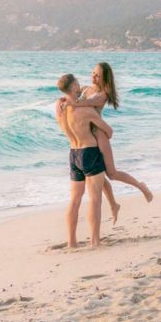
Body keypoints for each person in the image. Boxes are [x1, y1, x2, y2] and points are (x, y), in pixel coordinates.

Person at [62, 63, 153, 224]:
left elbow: (81, 103)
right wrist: (64, 98)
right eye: (93, 73)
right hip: (88, 138)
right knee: (98, 176)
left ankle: (141, 186)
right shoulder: (85, 89)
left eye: (97, 75)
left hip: (99, 135)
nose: (93, 77)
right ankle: (114, 205)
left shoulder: (102, 95)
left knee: (112, 173)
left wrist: (70, 102)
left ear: (104, 78)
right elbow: (74, 95)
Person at [55, 73, 112, 248]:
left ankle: (71, 241)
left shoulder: (59, 109)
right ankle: (95, 241)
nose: (80, 87)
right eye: (78, 84)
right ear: (73, 87)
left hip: (73, 154)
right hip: (89, 152)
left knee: (75, 200)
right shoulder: (85, 110)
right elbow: (109, 131)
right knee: (95, 199)